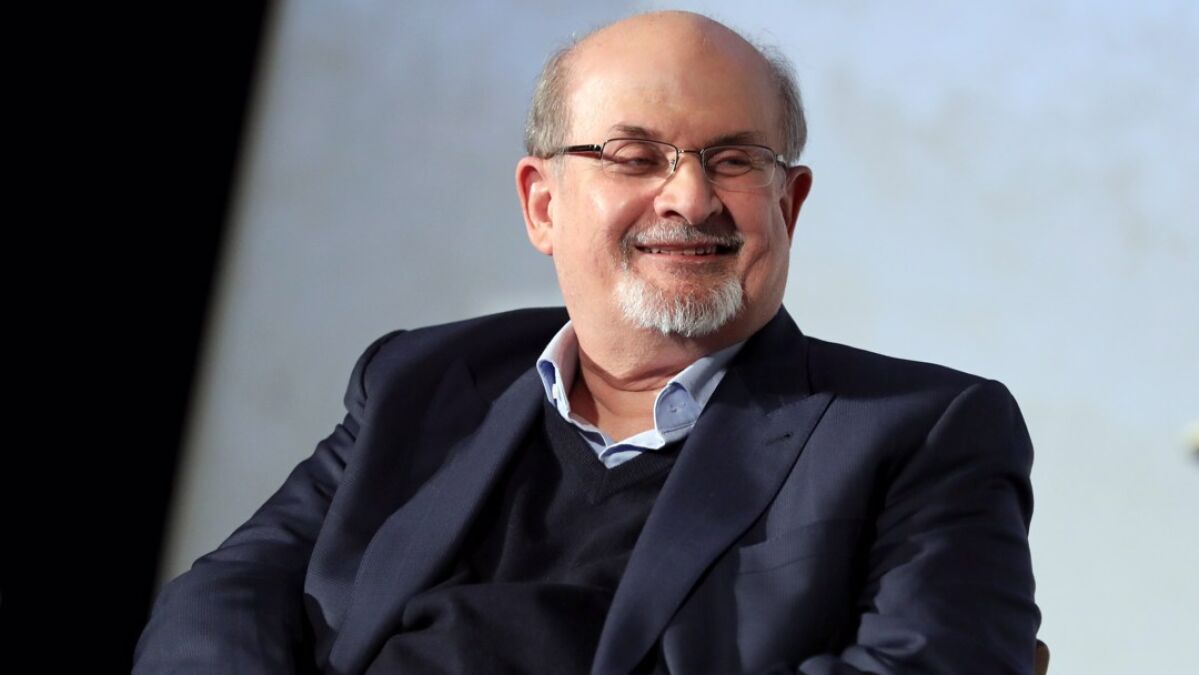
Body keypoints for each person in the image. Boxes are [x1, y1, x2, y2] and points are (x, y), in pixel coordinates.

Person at [135, 10, 1040, 675]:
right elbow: (218, 602)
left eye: (733, 160)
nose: (689, 198)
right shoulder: (421, 378)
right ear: (542, 204)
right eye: (634, 157)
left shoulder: (921, 429)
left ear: (788, 205)